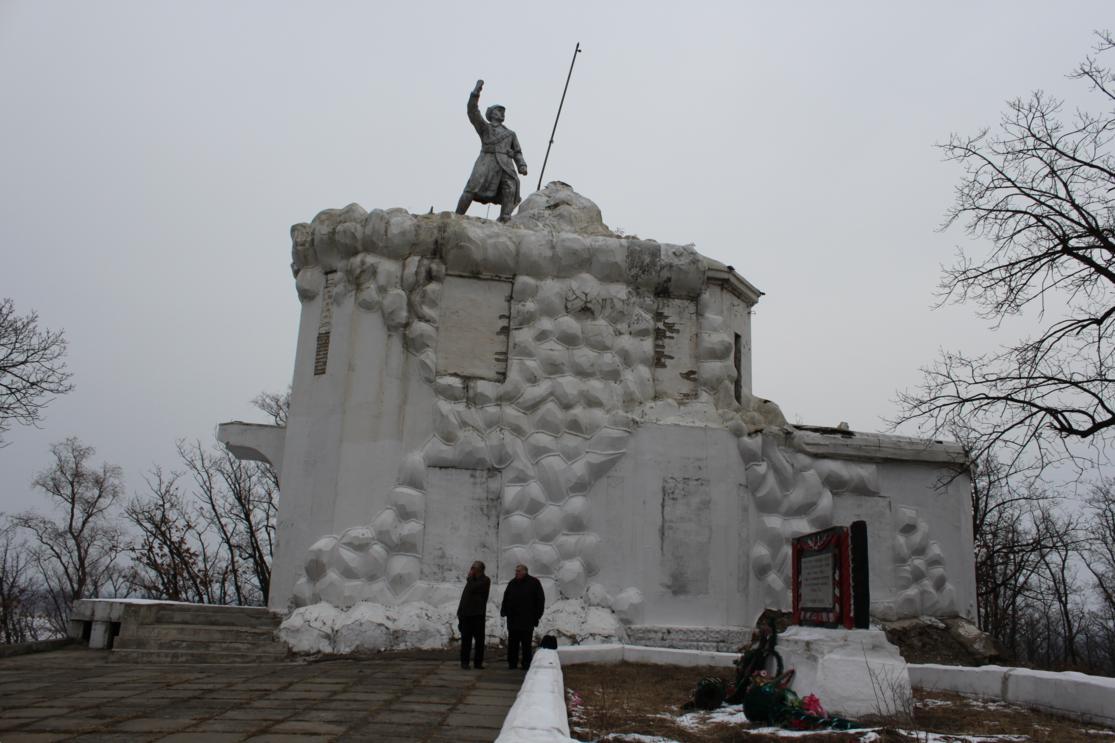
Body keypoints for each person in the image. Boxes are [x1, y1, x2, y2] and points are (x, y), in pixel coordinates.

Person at [455, 79, 528, 223]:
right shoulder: (485, 128)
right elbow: (473, 112)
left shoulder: (510, 133)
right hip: (486, 161)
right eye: (499, 111)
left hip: (505, 164)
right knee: (472, 187)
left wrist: (521, 165)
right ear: (492, 114)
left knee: (510, 187)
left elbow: (518, 151)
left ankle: (505, 218)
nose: (502, 113)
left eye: (503, 112)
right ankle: (457, 216)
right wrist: (475, 94)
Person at [500, 563, 545, 669]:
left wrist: (537, 616)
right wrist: (504, 611)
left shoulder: (534, 583)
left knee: (526, 644)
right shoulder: (512, 583)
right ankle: (512, 663)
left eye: (518, 571)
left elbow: (540, 601)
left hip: (527, 620)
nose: (516, 573)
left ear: (525, 571)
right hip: (513, 620)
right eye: (516, 571)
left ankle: (526, 664)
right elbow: (506, 598)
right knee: (513, 644)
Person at [457, 560, 491, 669]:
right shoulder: (471, 581)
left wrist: (470, 578)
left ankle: (478, 663)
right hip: (466, 616)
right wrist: (460, 612)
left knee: (479, 641)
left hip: (477, 616)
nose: (471, 570)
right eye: (471, 567)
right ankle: (465, 662)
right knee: (466, 641)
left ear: (479, 570)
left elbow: (473, 588)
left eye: (473, 568)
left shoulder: (485, 580)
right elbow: (465, 598)